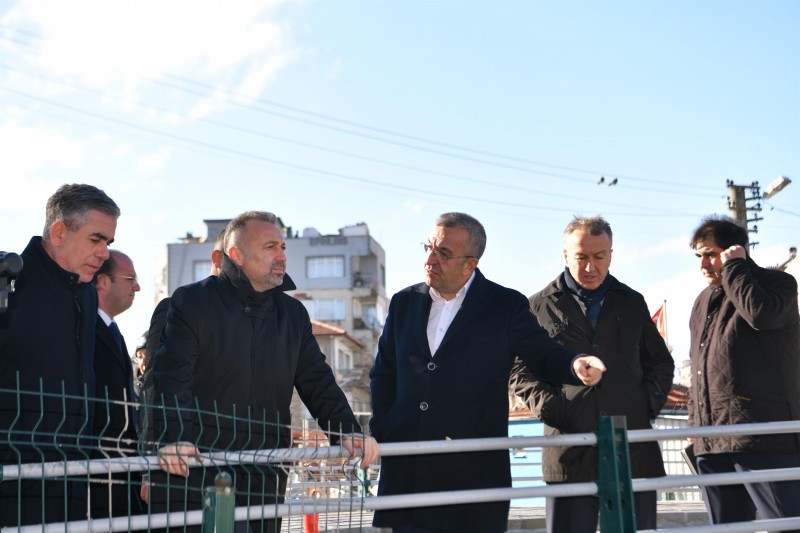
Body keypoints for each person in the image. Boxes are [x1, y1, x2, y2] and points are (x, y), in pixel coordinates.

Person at [369, 212, 606, 533]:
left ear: (470, 264)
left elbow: (542, 352)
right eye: (429, 247)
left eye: (443, 253)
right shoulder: (403, 303)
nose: (430, 259)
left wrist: (574, 363)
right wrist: (384, 427)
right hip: (408, 473)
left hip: (472, 474)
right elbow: (383, 373)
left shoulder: (504, 305)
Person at [150, 211, 379, 532]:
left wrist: (347, 431)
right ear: (236, 255)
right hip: (198, 466)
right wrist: (175, 438)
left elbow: (317, 380)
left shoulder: (292, 313)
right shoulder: (193, 301)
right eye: (271, 247)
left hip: (266, 469)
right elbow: (172, 376)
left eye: (283, 247)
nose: (282, 255)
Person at [509, 215, 674, 533]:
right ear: (565, 255)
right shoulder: (537, 305)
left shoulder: (632, 301)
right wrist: (552, 408)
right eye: (581, 257)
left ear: (611, 255)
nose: (590, 267)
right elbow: (520, 369)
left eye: (599, 257)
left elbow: (659, 362)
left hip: (632, 448)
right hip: (568, 450)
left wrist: (645, 404)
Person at [0, 183, 120, 527]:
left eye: (108, 243)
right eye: (96, 239)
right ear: (58, 232)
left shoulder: (86, 294)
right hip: (14, 482)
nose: (104, 253)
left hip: (74, 478)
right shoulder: (9, 285)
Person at [689, 215, 800, 528]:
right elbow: (698, 365)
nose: (703, 264)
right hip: (710, 440)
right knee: (727, 528)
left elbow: (761, 315)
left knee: (787, 525)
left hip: (762, 438)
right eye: (698, 256)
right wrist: (696, 424)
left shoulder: (777, 283)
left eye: (710, 254)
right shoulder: (702, 301)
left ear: (734, 251)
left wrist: (735, 267)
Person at [91, 250, 144, 518]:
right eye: (130, 279)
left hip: (120, 468)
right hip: (98, 471)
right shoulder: (87, 329)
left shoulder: (111, 330)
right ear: (102, 281)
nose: (137, 287)